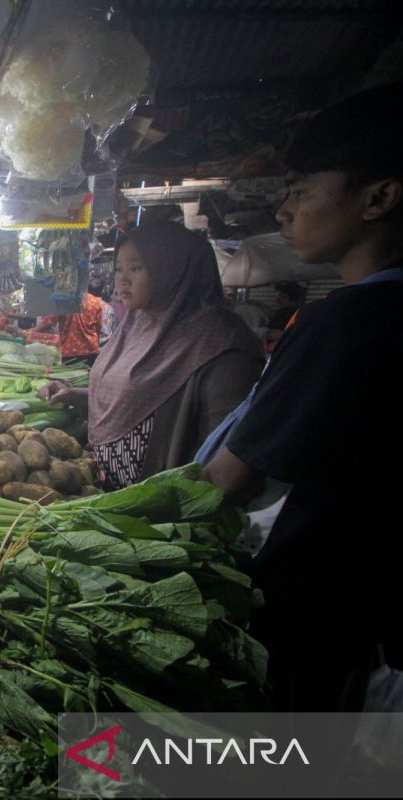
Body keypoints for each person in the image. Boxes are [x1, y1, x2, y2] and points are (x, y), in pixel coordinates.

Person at [202, 83, 403, 711]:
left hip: (312, 606)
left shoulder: (347, 321)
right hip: (359, 605)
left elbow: (231, 477)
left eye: (301, 191)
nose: (284, 212)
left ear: (379, 197)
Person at [38, 220, 263, 489]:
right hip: (106, 493)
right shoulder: (136, 325)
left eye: (136, 268)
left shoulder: (221, 343)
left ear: (174, 269)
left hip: (160, 511)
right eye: (119, 268)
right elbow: (134, 399)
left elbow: (228, 457)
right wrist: (74, 394)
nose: (122, 279)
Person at [33, 290, 106, 365]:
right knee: (88, 375)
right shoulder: (95, 301)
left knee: (71, 376)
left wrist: (33, 332)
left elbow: (49, 320)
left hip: (70, 351)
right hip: (91, 350)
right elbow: (98, 327)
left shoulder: (64, 300)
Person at [264, 280, 306, 347]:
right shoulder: (298, 311)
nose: (277, 294)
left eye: (279, 292)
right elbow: (272, 313)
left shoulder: (285, 313)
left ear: (285, 297)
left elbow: (272, 334)